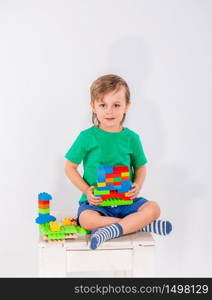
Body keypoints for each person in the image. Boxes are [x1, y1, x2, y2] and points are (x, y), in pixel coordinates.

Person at [64, 74, 172, 250]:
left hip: (126, 202)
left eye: (116, 105)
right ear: (93, 106)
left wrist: (137, 184)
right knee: (86, 219)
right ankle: (134, 225)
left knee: (154, 208)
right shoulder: (86, 137)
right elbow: (69, 167)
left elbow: (140, 167)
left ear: (126, 107)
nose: (109, 111)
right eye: (103, 105)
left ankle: (111, 229)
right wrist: (86, 191)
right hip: (97, 204)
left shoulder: (132, 138)